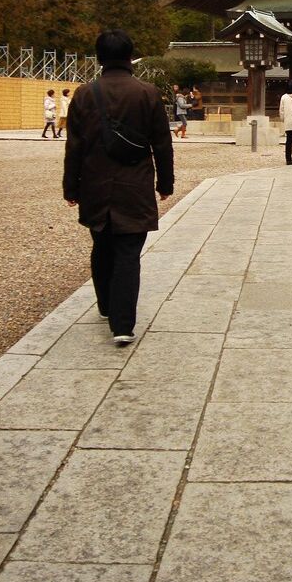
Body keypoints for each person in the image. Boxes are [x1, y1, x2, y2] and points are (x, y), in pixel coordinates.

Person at [63, 29, 174, 345]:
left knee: (101, 245)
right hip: (134, 185)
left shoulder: (84, 94)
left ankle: (106, 306)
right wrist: (164, 183)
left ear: (100, 58)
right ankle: (123, 325)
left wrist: (71, 188)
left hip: (95, 184)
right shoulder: (148, 93)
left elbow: (74, 146)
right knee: (128, 253)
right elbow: (162, 145)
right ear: (130, 56)